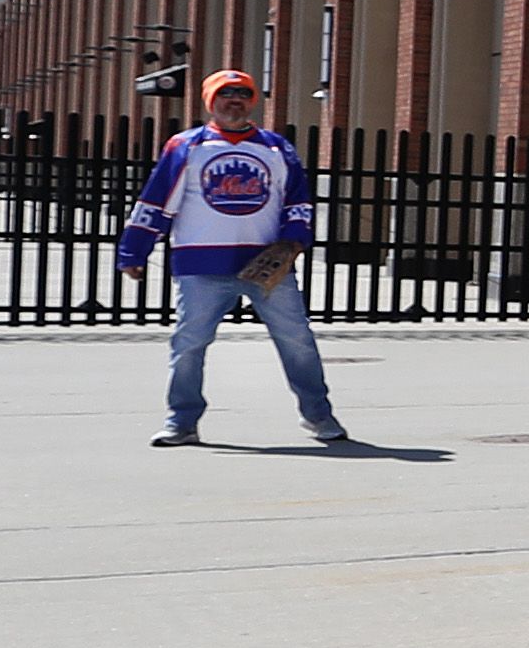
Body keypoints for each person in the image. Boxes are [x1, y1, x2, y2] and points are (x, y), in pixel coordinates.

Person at [116, 68, 353, 449]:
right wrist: (134, 249)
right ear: (211, 101)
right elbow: (156, 200)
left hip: (267, 269)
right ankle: (182, 421)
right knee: (189, 344)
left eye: (243, 93)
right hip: (201, 268)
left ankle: (319, 416)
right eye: (225, 94)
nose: (234, 101)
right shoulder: (187, 146)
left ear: (253, 101)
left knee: (297, 341)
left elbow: (298, 200)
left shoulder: (277, 148)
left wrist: (292, 242)